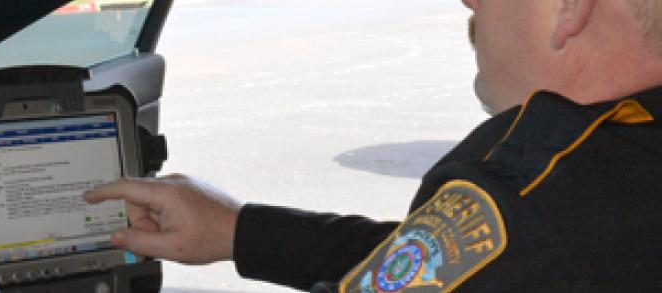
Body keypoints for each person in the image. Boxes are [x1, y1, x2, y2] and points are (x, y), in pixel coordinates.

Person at [86, 0, 662, 292]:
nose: (469, 2)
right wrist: (240, 230)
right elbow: (448, 263)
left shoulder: (534, 188)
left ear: (570, 8)